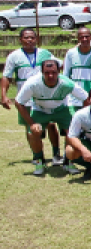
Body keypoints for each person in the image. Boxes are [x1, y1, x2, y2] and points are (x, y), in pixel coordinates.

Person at [14, 60, 89, 176]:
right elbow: (19, 102)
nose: (50, 76)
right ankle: (40, 161)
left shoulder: (66, 83)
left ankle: (68, 161)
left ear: (59, 72)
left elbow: (86, 98)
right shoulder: (33, 83)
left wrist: (82, 117)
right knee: (32, 133)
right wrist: (31, 123)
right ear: (42, 72)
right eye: (47, 73)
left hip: (62, 109)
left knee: (72, 133)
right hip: (40, 110)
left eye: (54, 72)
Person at [1, 28, 63, 165]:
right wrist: (4, 95)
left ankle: (56, 154)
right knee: (30, 128)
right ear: (20, 39)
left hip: (45, 96)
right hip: (26, 99)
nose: (30, 40)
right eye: (26, 38)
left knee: (51, 124)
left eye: (32, 38)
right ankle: (38, 156)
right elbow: (7, 76)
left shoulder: (45, 53)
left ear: (36, 39)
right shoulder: (14, 56)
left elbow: (60, 65)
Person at [63, 27, 91, 111]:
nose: (84, 39)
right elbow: (65, 76)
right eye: (81, 37)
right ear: (78, 38)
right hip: (74, 97)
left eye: (87, 36)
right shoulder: (70, 53)